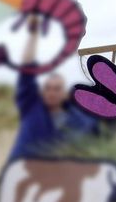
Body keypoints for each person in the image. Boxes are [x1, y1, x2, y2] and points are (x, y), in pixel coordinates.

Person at [9, 16, 100, 159]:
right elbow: (26, 69)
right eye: (48, 88)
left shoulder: (79, 120)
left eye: (56, 89)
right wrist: (33, 33)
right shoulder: (32, 108)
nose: (51, 92)